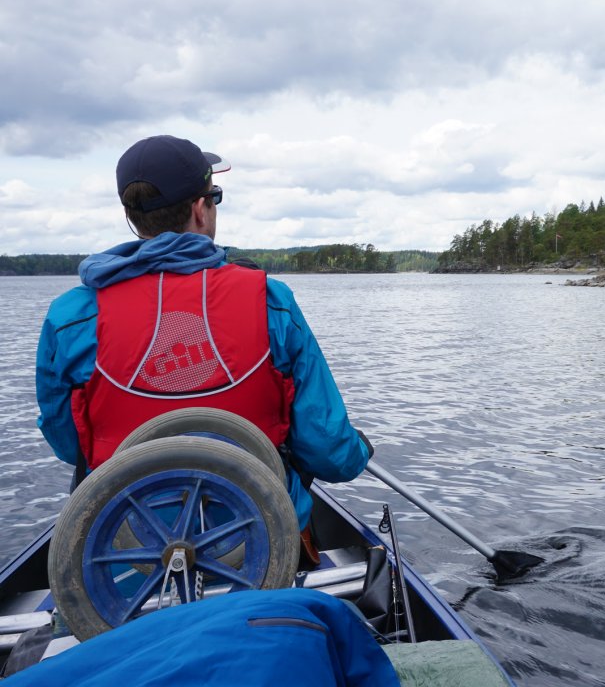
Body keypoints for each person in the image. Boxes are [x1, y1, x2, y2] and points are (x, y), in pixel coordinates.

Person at [35, 134, 371, 535]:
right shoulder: (271, 303)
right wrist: (358, 451)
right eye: (215, 197)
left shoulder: (71, 316)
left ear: (131, 216)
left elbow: (68, 443)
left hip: (126, 542)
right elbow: (328, 452)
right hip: (259, 540)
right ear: (200, 209)